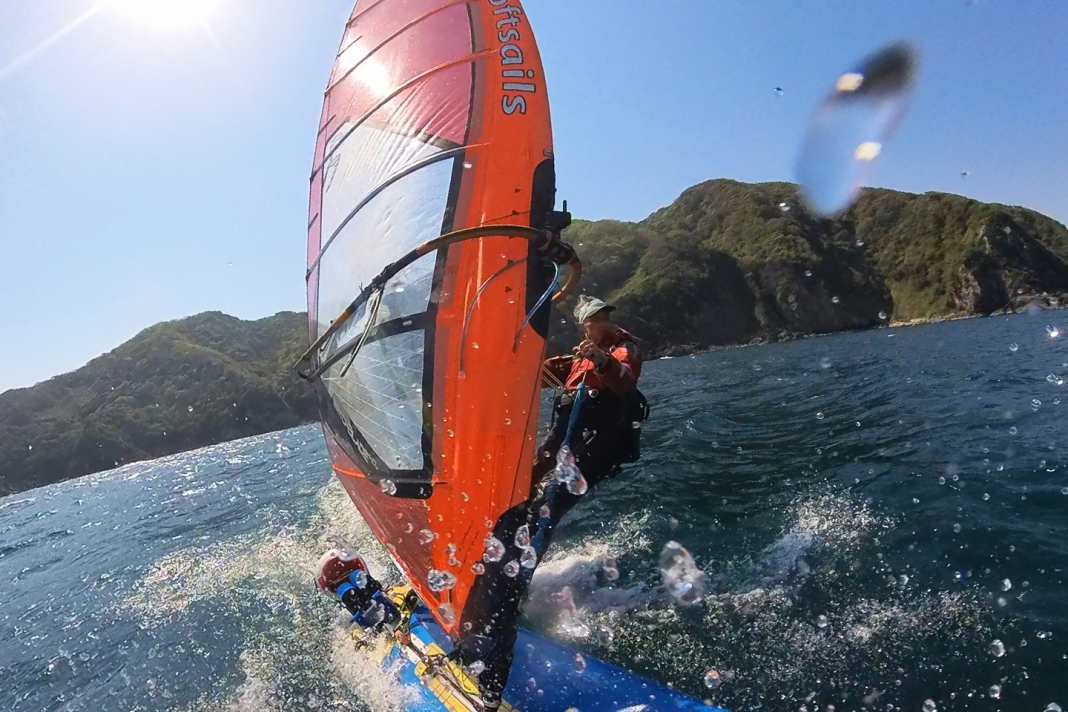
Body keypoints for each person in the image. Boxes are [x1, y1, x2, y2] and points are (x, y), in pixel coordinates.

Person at [456, 295, 648, 708]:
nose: (604, 323)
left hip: (592, 450)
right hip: (562, 444)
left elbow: (624, 381)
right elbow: (548, 381)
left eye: (605, 317)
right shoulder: (578, 357)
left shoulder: (621, 349)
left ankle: (507, 603)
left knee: (547, 509)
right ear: (584, 326)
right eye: (595, 319)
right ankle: (494, 567)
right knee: (519, 497)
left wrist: (601, 360)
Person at [315, 549, 401, 632]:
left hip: (390, 605)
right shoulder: (346, 623)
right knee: (351, 592)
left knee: (362, 583)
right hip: (373, 621)